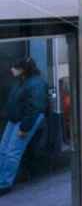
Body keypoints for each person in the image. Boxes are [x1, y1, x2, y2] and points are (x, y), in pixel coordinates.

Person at [0, 58, 48, 195]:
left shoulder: (36, 83)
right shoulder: (22, 80)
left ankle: (4, 184)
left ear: (23, 69)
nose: (11, 70)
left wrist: (24, 128)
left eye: (14, 67)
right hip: (15, 118)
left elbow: (35, 108)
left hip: (26, 120)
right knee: (3, 150)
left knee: (12, 152)